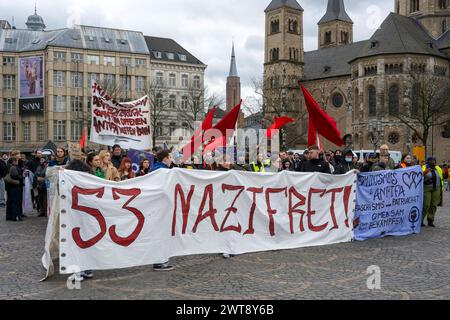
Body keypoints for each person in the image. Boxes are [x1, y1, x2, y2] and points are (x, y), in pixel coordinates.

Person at [64, 159, 95, 280]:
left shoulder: (68, 179)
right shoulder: (90, 178)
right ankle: (87, 269)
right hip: (89, 215)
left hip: (75, 215)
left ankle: (79, 269)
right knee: (87, 242)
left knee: (76, 243)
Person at [151, 150, 174, 271]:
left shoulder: (160, 169)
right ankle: (159, 261)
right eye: (170, 157)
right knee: (160, 233)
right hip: (160, 207)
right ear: (165, 158)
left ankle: (161, 260)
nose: (172, 160)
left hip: (161, 207)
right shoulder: (161, 171)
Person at [422, 157, 444, 227]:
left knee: (434, 204)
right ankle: (420, 220)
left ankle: (430, 220)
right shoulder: (424, 167)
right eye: (431, 161)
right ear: (427, 161)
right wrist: (426, 171)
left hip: (437, 188)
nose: (433, 162)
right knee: (426, 204)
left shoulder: (438, 168)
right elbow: (420, 175)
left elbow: (442, 177)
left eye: (434, 161)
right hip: (426, 188)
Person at [5, 154, 24, 222]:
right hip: (15, 187)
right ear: (14, 161)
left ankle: (11, 216)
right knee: (15, 201)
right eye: (17, 160)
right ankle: (15, 216)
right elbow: (15, 175)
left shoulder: (11, 167)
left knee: (12, 201)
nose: (18, 161)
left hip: (12, 187)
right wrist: (22, 176)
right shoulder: (13, 167)